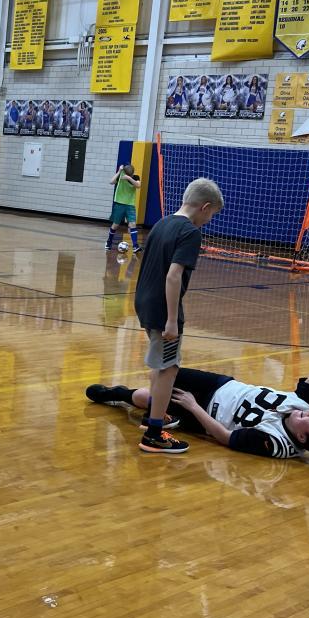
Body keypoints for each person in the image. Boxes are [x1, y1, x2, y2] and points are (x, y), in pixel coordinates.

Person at [86, 312, 309, 459]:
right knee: (164, 372)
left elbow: (225, 437)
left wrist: (194, 407)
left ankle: (118, 395)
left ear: (300, 437)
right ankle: (155, 409)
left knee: (149, 396)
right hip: (222, 386)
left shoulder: (275, 443)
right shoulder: (303, 407)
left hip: (206, 414)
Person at [134, 177, 224, 454]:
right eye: (211, 214)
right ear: (204, 207)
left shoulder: (162, 223)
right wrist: (172, 320)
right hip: (163, 308)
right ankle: (153, 434)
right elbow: (173, 276)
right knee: (169, 369)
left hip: (144, 301)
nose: (208, 220)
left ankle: (154, 414)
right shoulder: (190, 232)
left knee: (161, 364)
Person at [105, 163, 142, 253]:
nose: (131, 176)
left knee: (132, 224)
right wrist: (119, 171)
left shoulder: (135, 177)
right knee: (115, 225)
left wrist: (129, 178)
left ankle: (135, 246)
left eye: (131, 175)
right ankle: (109, 243)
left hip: (130, 205)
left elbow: (138, 185)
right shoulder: (120, 176)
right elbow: (111, 182)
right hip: (119, 204)